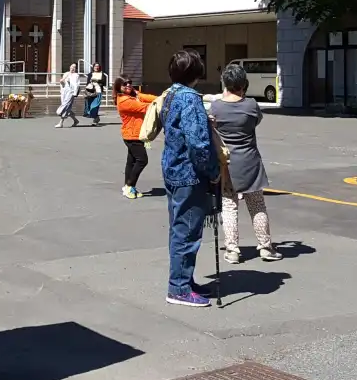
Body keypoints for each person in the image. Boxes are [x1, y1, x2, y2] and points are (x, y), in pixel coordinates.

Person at [160, 49, 221, 307]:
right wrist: (213, 171)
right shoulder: (191, 99)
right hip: (189, 173)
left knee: (179, 228)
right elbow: (198, 143)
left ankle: (184, 279)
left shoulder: (169, 95)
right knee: (187, 231)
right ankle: (179, 288)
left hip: (172, 168)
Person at [209, 64, 282, 263]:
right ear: (244, 84)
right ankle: (266, 246)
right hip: (250, 161)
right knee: (257, 204)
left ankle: (232, 250)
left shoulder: (217, 107)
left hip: (228, 163)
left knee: (229, 205)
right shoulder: (251, 105)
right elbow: (256, 121)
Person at [115, 76, 156, 199]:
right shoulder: (123, 101)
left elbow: (147, 97)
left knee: (131, 161)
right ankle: (129, 185)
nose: (128, 85)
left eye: (129, 83)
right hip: (132, 135)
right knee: (142, 160)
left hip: (136, 134)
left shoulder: (134, 94)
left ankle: (127, 186)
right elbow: (144, 107)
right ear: (119, 87)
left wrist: (161, 99)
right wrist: (159, 104)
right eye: (124, 84)